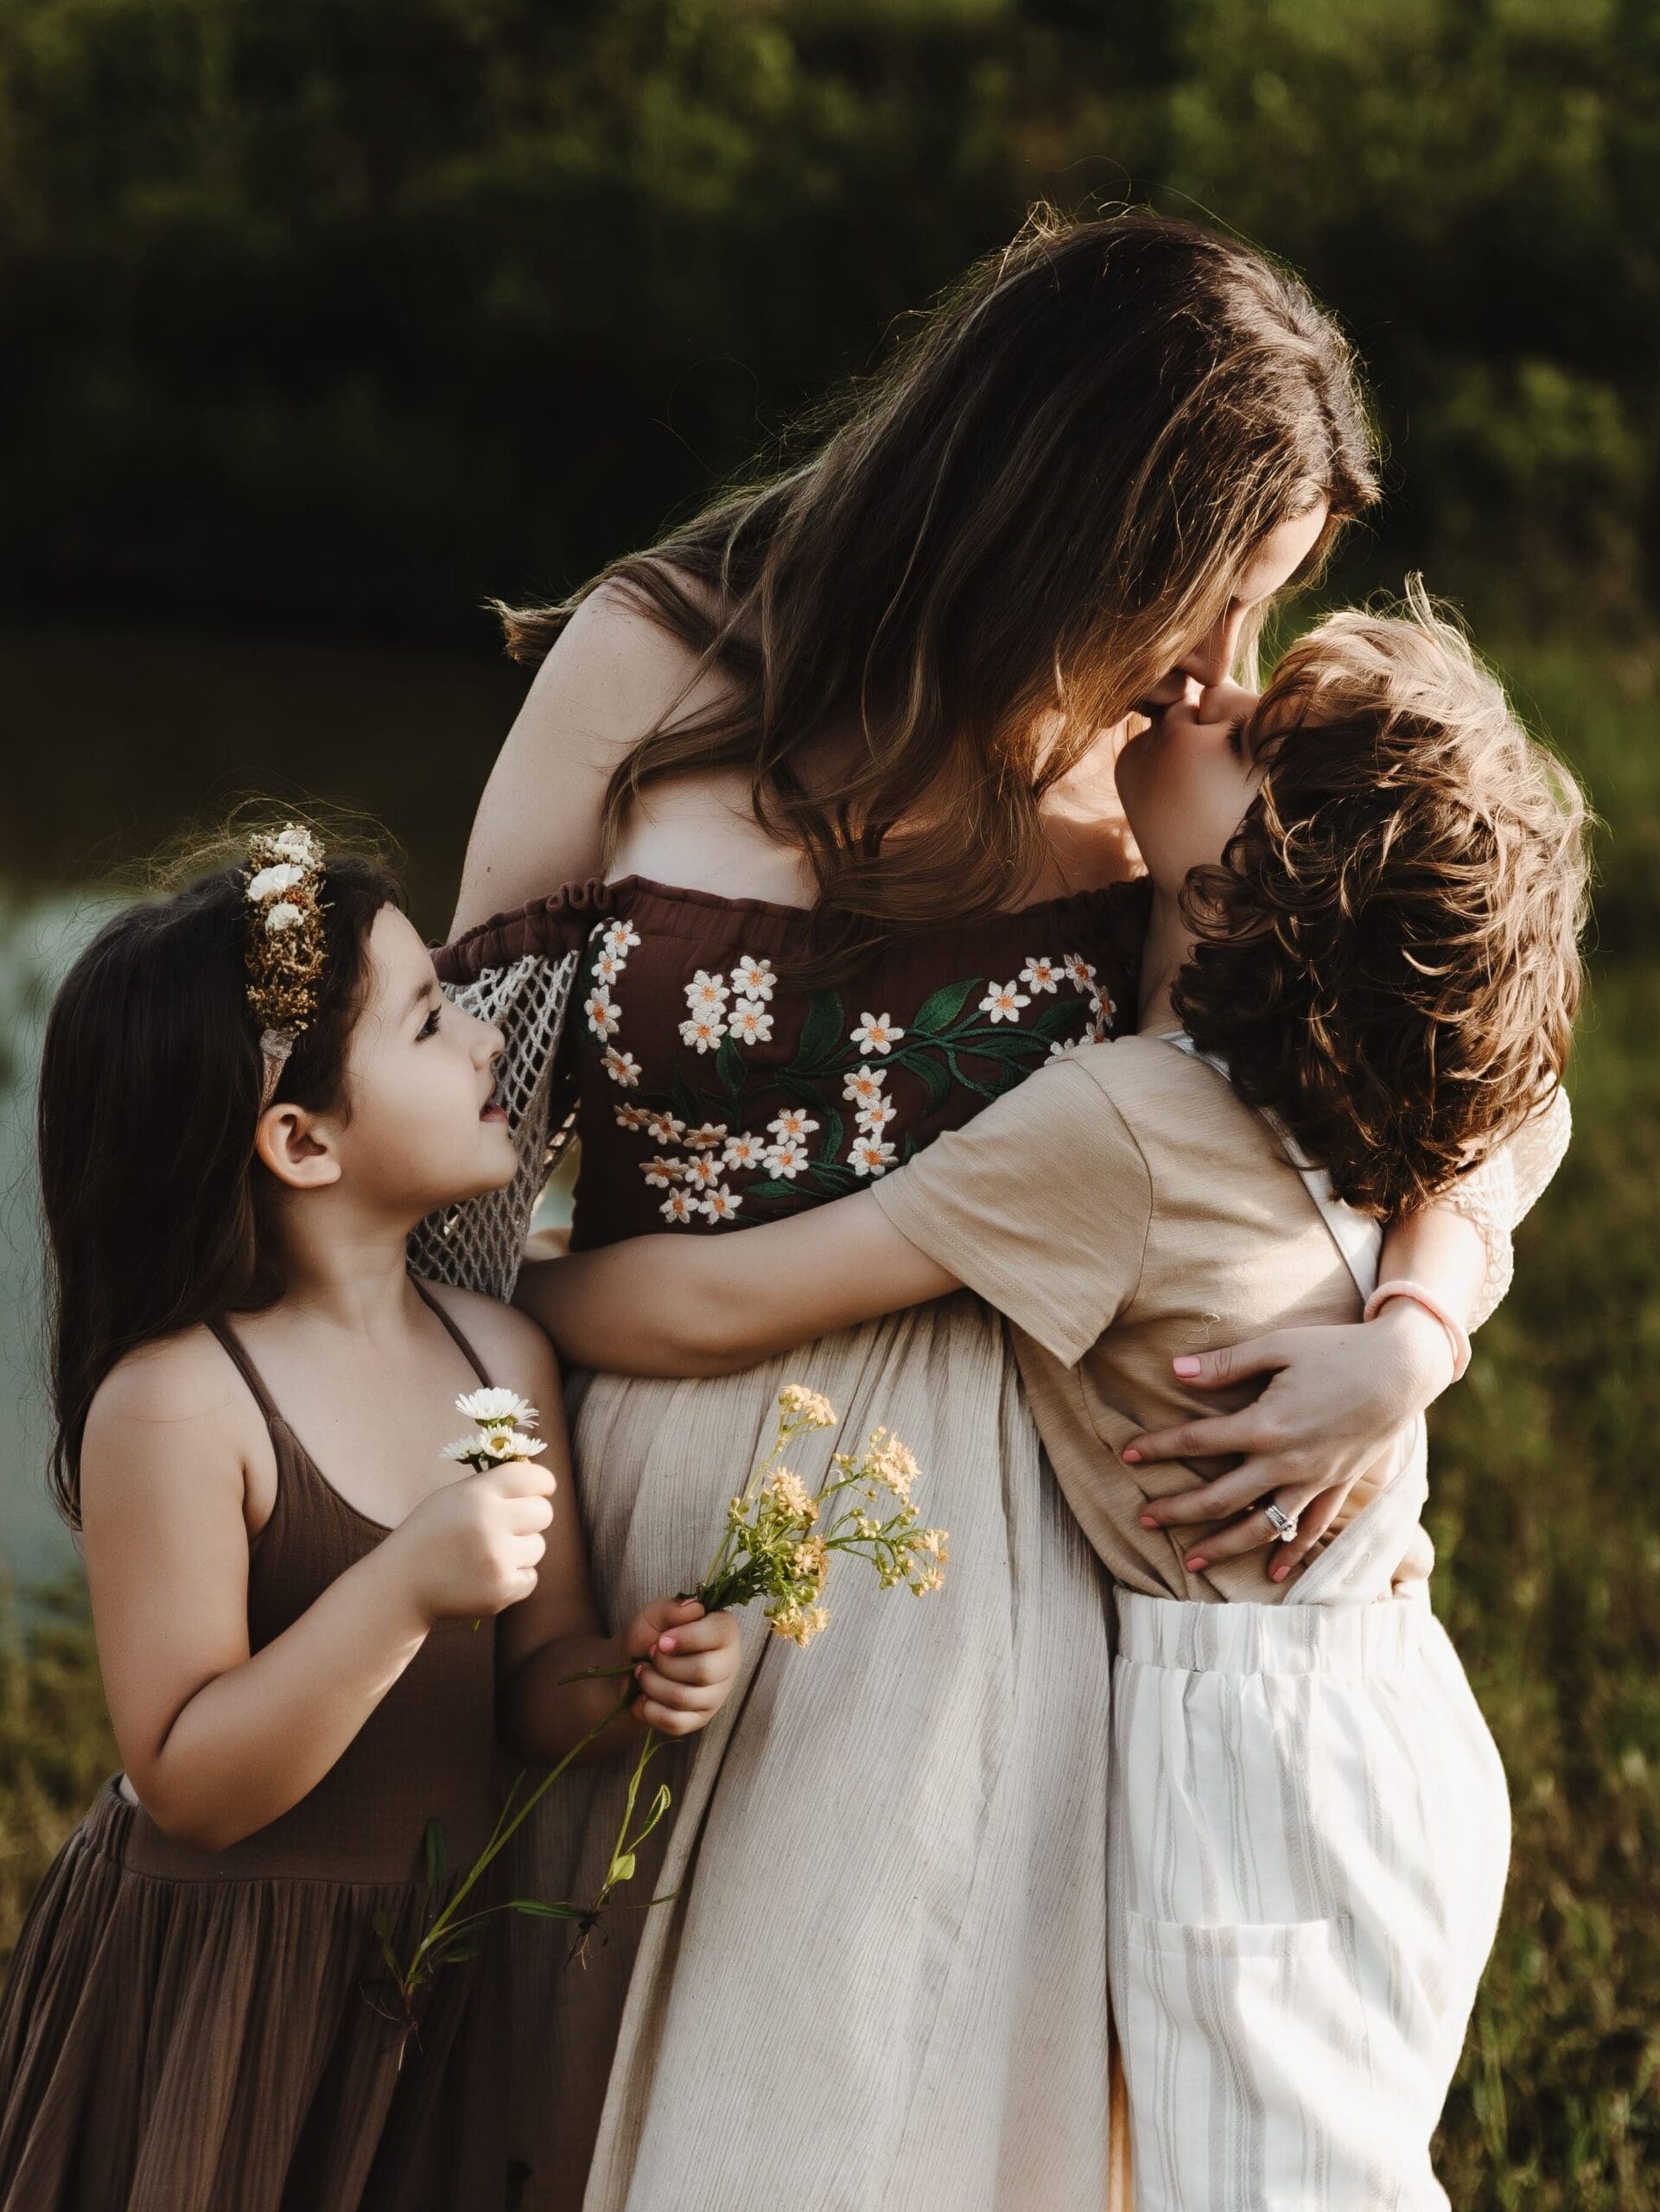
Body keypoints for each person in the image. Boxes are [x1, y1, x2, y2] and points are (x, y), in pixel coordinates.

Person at [442, 207, 1530, 2209]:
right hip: (618, 1515)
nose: (1227, 665)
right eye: (1212, 595)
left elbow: (1469, 1061)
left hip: (978, 1553)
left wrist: (1410, 1333)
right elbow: (444, 1139)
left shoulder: (1177, 772)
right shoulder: (659, 654)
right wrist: (446, 1493)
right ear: (1068, 511)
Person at [0, 826, 740, 2212]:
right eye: (429, 1019)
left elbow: (534, 1681)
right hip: (218, 1985)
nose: (484, 1043)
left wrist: (630, 1683)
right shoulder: (182, 1406)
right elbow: (186, 1782)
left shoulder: (495, 1358)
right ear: (300, 1138)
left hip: (433, 1972)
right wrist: (397, 1590)